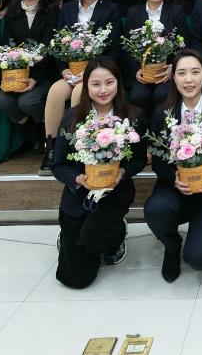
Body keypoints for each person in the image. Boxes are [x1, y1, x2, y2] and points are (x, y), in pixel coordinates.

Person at [52, 57, 145, 289]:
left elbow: (140, 159)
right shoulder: (72, 118)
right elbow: (58, 164)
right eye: (95, 84)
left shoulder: (133, 116)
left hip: (114, 192)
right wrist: (76, 178)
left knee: (93, 238)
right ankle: (69, 235)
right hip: (78, 193)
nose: (103, 90)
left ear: (118, 83)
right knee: (76, 279)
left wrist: (123, 171)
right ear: (86, 86)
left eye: (109, 82)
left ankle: (116, 235)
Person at [144, 50, 202, 282]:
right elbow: (158, 161)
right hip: (175, 187)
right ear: (173, 77)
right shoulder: (162, 113)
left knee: (200, 258)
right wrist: (173, 179)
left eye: (195, 72)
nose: (188, 80)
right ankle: (172, 245)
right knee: (156, 210)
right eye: (182, 73)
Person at [42, 0, 123, 174]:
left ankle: (79, 146)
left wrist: (90, 73)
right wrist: (63, 69)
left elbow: (115, 48)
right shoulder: (67, 8)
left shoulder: (111, 9)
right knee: (55, 92)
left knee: (80, 92)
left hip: (98, 74)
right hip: (71, 71)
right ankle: (51, 148)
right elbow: (58, 44)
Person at [0, 0, 60, 152]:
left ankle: (46, 133)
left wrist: (35, 78)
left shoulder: (53, 11)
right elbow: (8, 45)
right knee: (4, 100)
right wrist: (12, 73)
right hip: (18, 73)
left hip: (46, 72)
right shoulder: (12, 12)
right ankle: (31, 132)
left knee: (28, 101)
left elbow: (49, 48)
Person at [123, 0, 188, 122]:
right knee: (138, 95)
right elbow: (127, 47)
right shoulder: (133, 12)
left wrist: (173, 68)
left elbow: (184, 44)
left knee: (162, 94)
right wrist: (137, 70)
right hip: (142, 72)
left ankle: (161, 132)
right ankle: (138, 132)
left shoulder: (177, 11)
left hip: (167, 71)